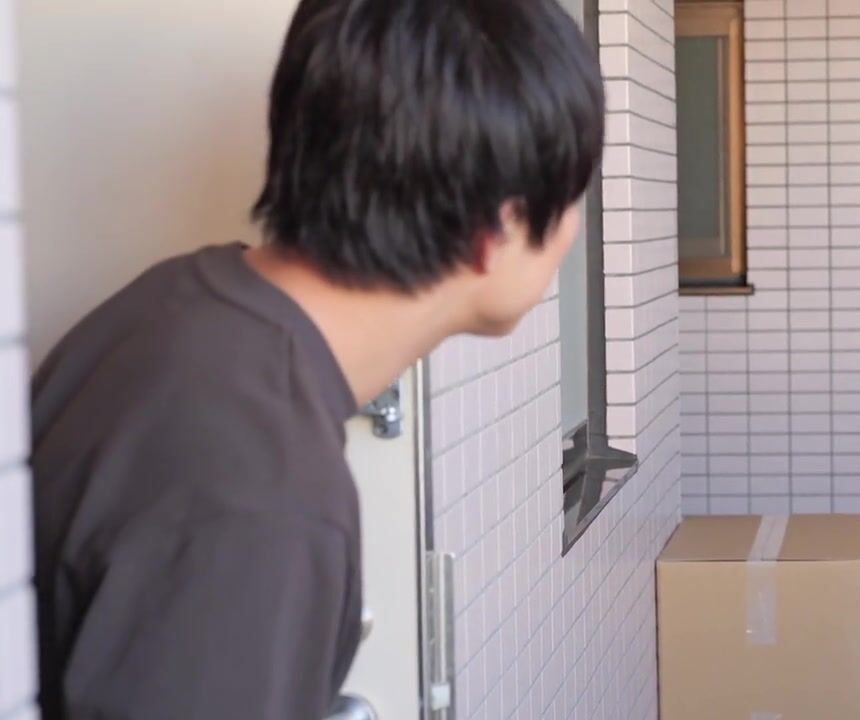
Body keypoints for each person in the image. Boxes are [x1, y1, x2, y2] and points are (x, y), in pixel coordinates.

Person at [30, 0, 604, 717]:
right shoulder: (260, 500)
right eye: (572, 194)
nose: (573, 229)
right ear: (498, 228)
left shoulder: (176, 307)